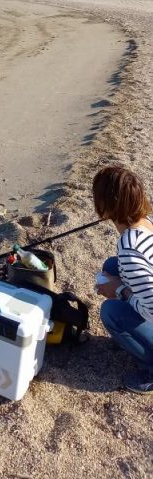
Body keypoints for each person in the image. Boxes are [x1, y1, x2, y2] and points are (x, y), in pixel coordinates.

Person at [93, 165, 153, 393]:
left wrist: (119, 291)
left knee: (111, 312)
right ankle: (137, 337)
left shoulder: (130, 249)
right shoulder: (147, 222)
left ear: (105, 207)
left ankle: (150, 369)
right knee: (111, 266)